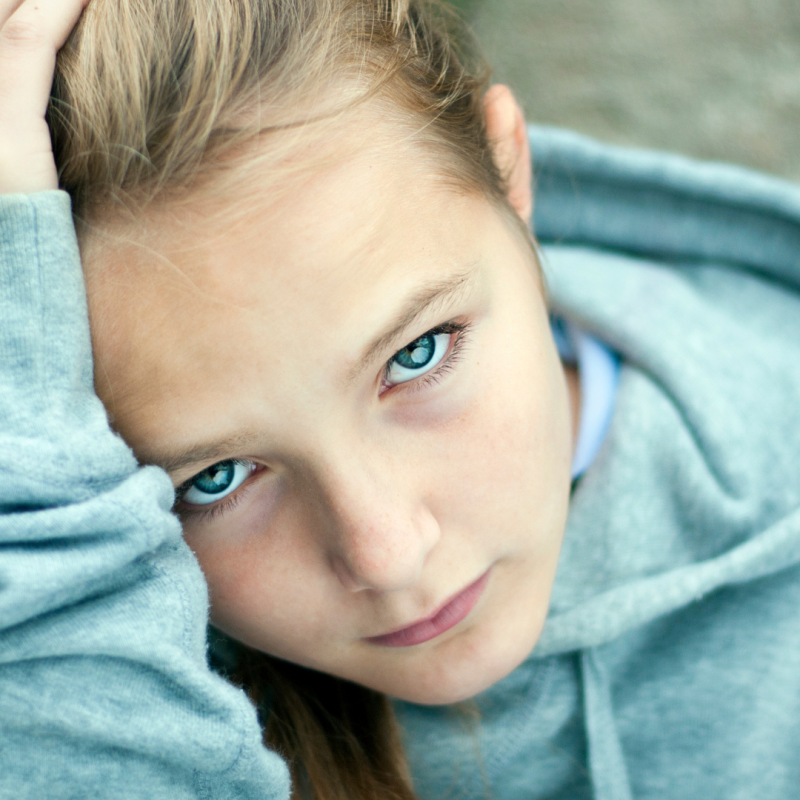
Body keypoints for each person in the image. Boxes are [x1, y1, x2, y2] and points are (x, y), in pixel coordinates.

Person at [2, 0, 800, 798]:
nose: (387, 557)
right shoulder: (119, 658)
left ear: (509, 172)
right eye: (216, 478)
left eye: (418, 356)